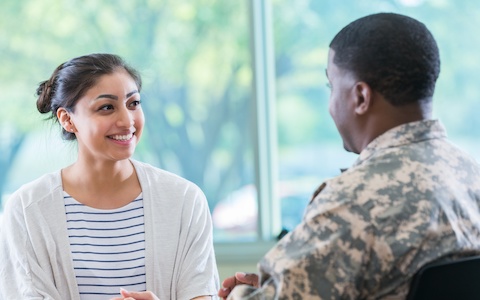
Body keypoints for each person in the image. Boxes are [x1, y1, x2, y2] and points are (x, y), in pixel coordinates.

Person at [219, 12, 480, 299]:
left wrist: (241, 293)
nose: (330, 105)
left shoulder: (353, 201)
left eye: (331, 87)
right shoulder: (470, 175)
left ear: (360, 97)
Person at [0, 53, 219, 300]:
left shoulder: (185, 201)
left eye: (133, 103)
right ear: (67, 119)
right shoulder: (27, 211)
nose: (127, 121)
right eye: (106, 107)